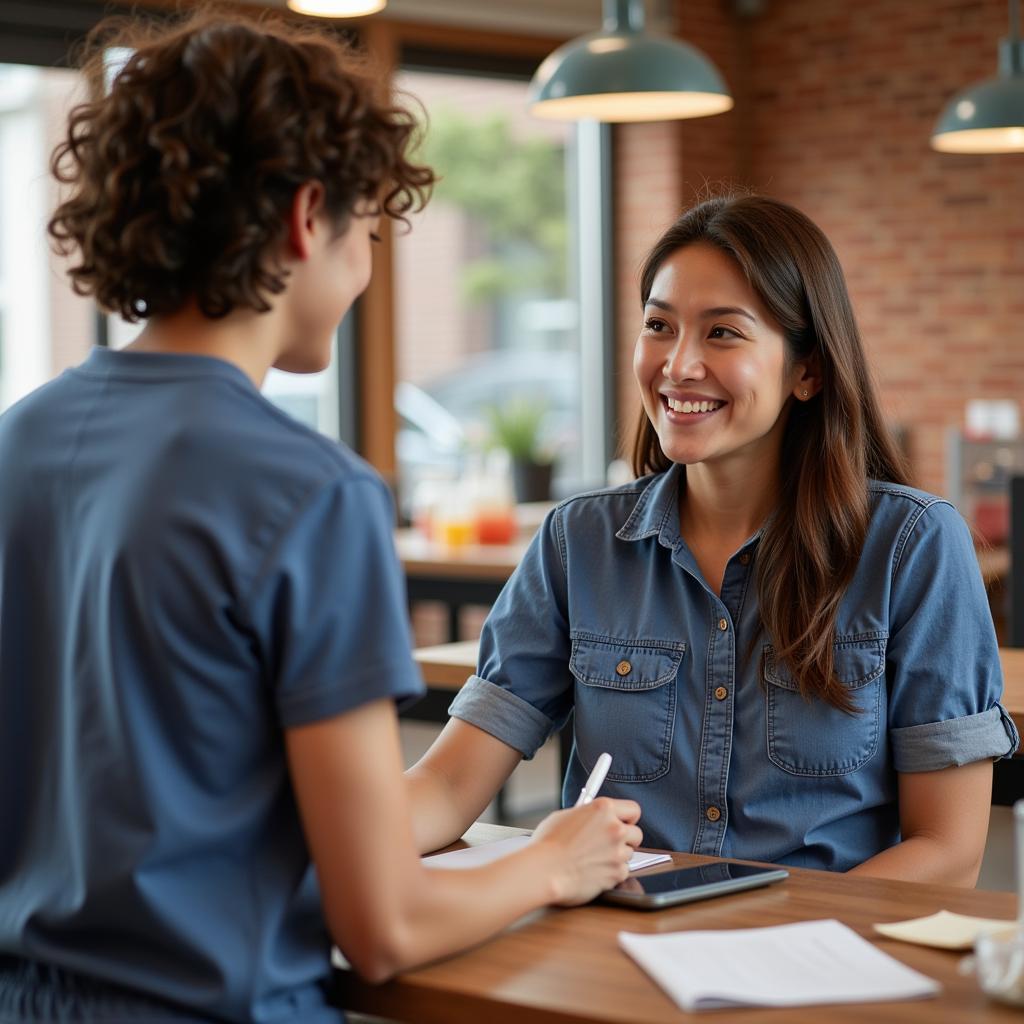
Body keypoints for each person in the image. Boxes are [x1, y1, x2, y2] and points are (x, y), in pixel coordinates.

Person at [0, 10, 643, 1023]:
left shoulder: (17, 443)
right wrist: (552, 863)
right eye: (371, 228)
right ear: (309, 217)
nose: (367, 263)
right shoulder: (313, 493)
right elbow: (382, 926)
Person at [407, 193, 1019, 885]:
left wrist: (770, 946)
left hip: (821, 959)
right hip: (620, 949)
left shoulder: (911, 545)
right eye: (659, 326)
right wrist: (321, 839)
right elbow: (450, 786)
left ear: (808, 370)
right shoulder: (578, 541)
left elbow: (949, 850)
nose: (679, 365)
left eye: (722, 333)